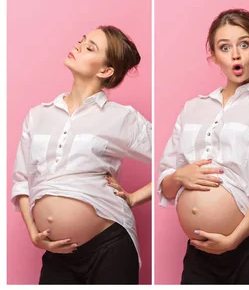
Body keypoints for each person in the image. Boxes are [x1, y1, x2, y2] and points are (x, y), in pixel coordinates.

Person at [157, 8, 249, 284]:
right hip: (199, 252)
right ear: (214, 56)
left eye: (244, 44)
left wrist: (233, 239)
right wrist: (179, 176)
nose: (235, 54)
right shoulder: (192, 108)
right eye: (225, 47)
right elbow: (165, 182)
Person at [10, 25, 152, 284]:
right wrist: (33, 231)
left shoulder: (120, 118)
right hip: (58, 255)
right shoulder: (38, 115)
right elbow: (22, 180)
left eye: (90, 47)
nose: (78, 46)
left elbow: (173, 158)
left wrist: (133, 197)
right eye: (82, 41)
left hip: (110, 247)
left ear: (105, 71)